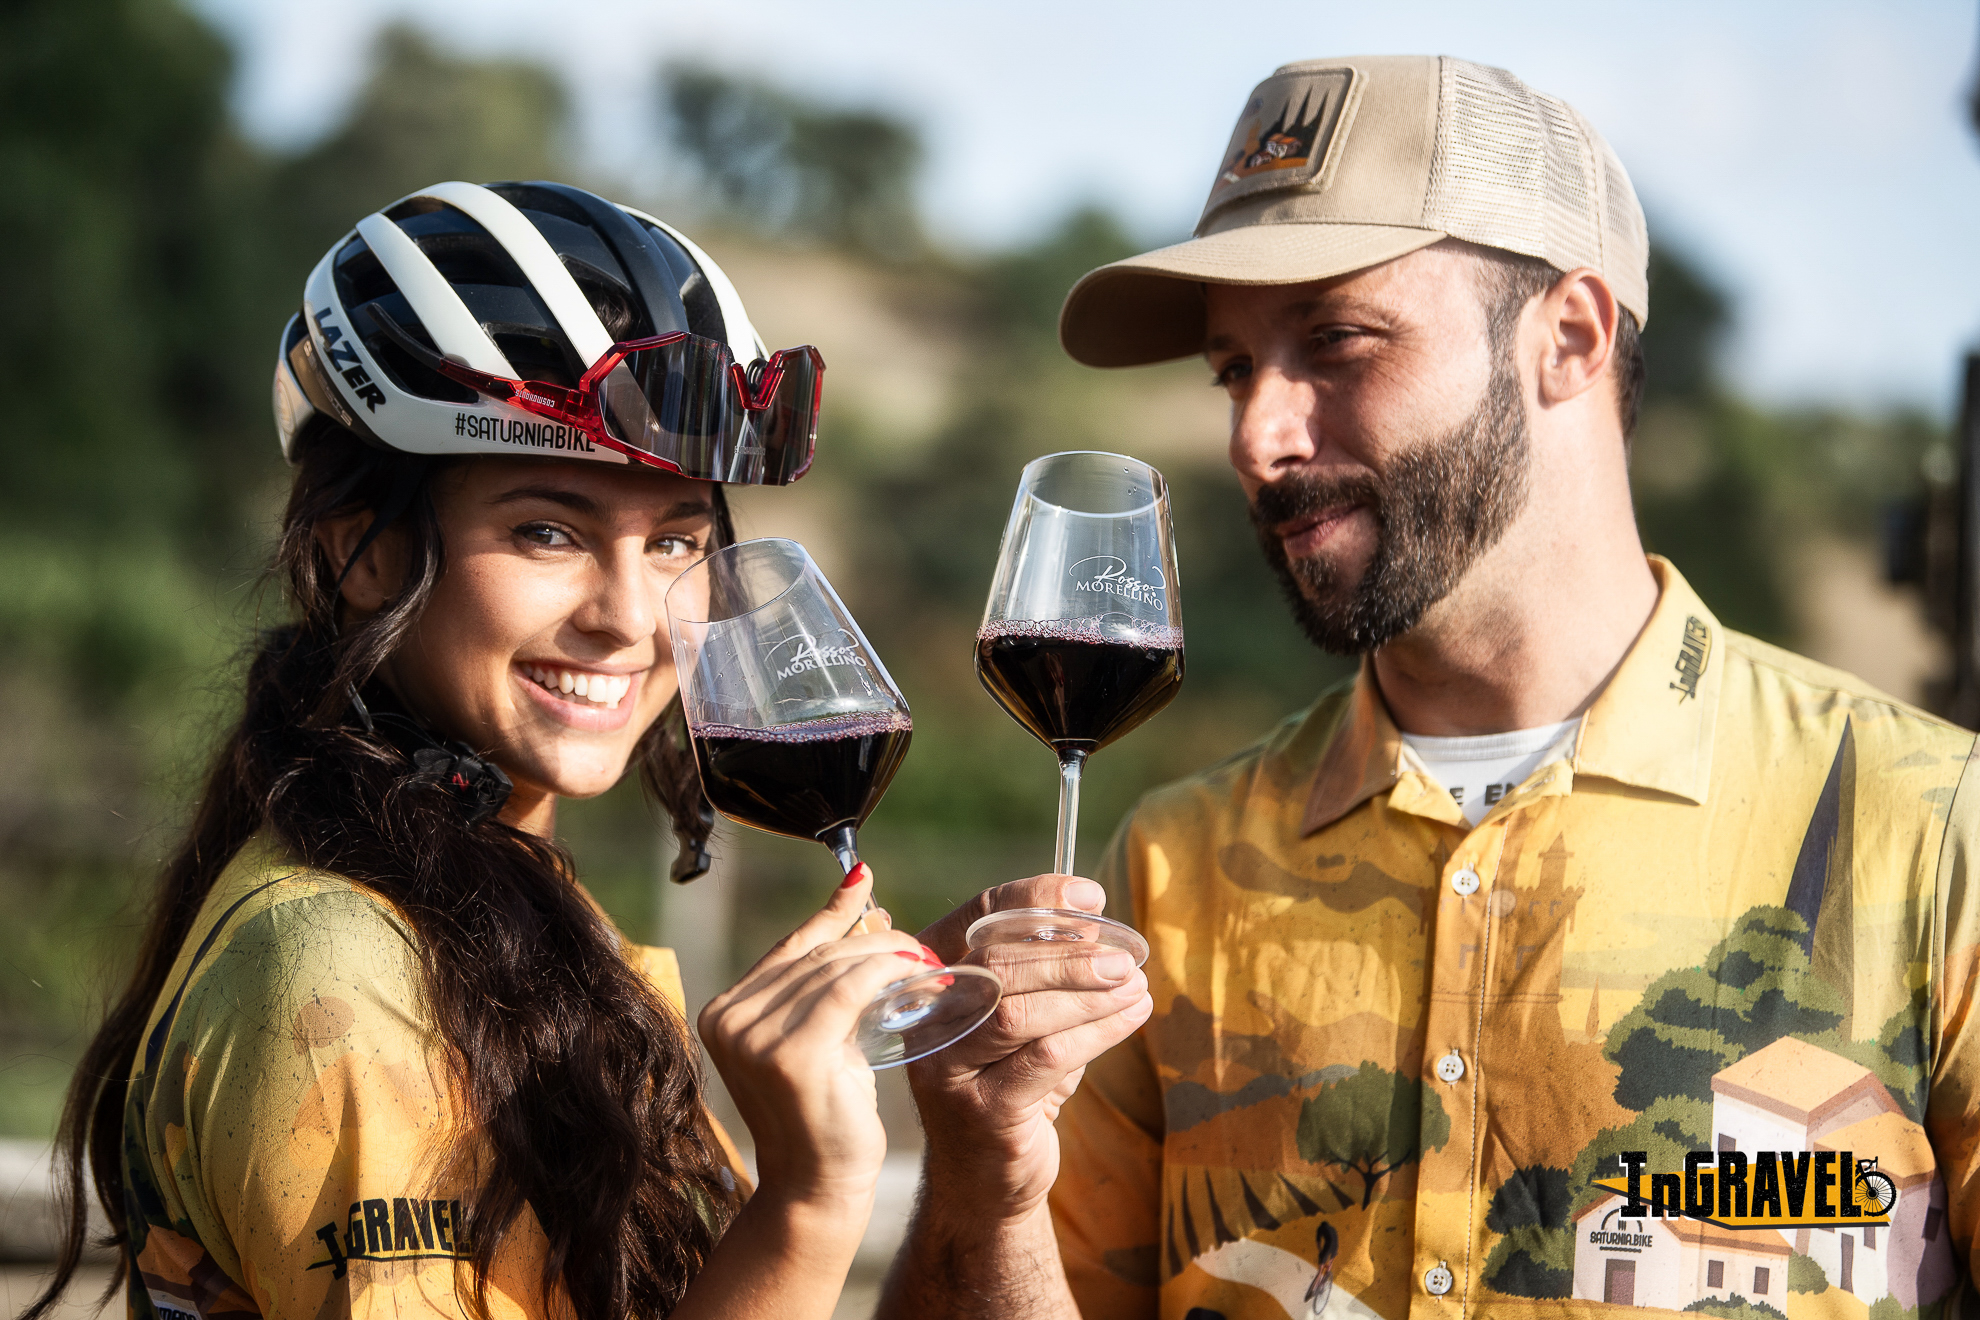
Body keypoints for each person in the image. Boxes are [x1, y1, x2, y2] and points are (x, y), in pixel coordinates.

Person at [883, 55, 1980, 1320]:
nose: (1257, 437)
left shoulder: (1934, 835)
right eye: (1235, 369)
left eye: (1338, 343)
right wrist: (981, 1184)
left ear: (1568, 337)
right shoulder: (1166, 877)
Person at [26, 180, 1151, 1320]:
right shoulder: (343, 977)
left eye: (675, 541)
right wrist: (806, 1205)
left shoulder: (510, 919)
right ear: (358, 553)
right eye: (547, 531)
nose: (628, 614)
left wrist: (969, 1159)